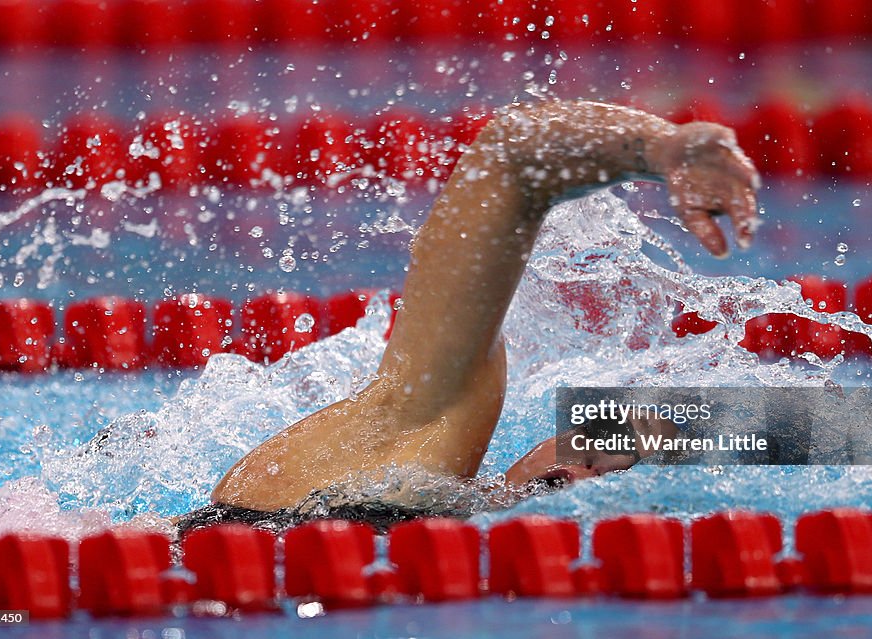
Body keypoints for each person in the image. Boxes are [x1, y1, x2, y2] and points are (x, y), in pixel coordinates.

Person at [192, 99, 760, 526]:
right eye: (607, 445)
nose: (588, 473)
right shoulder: (411, 444)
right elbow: (510, 154)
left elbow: (837, 428)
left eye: (622, 481)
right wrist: (659, 149)